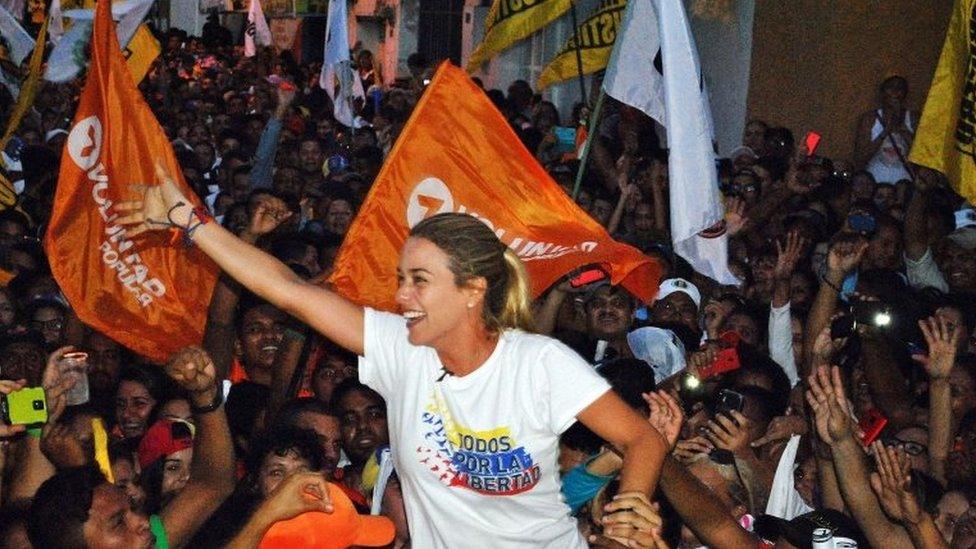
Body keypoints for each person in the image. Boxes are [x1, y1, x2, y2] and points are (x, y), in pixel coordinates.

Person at [116, 175, 667, 548]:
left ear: (473, 290)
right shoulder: (399, 351)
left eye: (419, 281)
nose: (401, 296)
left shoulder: (539, 364)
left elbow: (641, 438)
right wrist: (191, 220)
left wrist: (633, 506)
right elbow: (288, 291)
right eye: (402, 279)